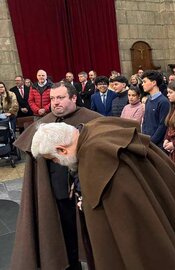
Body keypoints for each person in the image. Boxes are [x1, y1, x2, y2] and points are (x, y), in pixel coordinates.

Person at [29, 117, 175, 269]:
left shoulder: (97, 157)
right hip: (156, 205)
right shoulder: (95, 127)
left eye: (52, 159)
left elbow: (127, 220)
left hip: (145, 234)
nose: (56, 163)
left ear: (62, 150)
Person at [11, 81, 101, 270]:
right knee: (67, 235)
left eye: (60, 97)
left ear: (74, 98)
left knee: (95, 237)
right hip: (58, 191)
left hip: (90, 193)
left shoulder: (94, 120)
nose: (55, 103)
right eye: (52, 98)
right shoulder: (44, 123)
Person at [141, 70, 170, 149]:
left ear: (154, 83)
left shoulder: (163, 102)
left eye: (144, 81)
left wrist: (151, 142)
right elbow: (145, 121)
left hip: (157, 145)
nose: (142, 84)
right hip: (147, 142)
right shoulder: (148, 100)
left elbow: (163, 126)